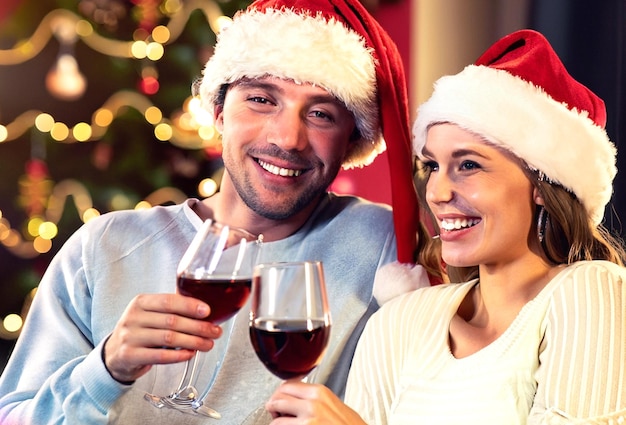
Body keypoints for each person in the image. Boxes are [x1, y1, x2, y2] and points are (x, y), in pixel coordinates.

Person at [0, 0, 441, 423]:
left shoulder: (385, 247)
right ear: (218, 111)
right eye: (262, 100)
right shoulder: (103, 247)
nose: (288, 138)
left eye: (321, 113)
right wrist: (106, 369)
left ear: (351, 141)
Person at [264, 29, 626, 424]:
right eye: (432, 166)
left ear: (543, 185)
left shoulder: (594, 289)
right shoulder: (399, 320)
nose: (436, 193)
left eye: (468, 165)